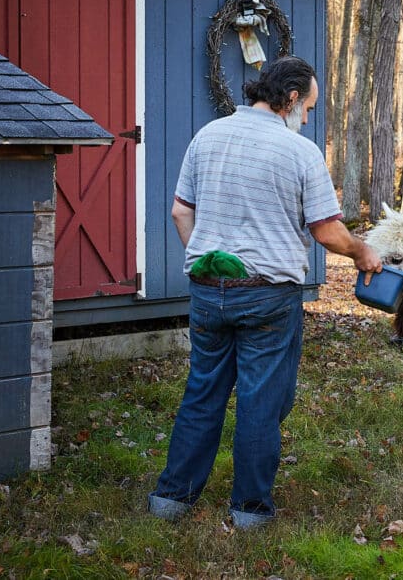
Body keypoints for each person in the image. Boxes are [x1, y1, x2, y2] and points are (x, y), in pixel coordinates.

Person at [148, 55, 381, 529]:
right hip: (268, 297)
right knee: (261, 401)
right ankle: (249, 511)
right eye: (310, 108)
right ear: (290, 98)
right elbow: (327, 231)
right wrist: (362, 253)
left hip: (207, 291)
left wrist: (207, 260)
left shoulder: (207, 135)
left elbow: (179, 213)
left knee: (202, 393)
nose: (309, 119)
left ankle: (171, 500)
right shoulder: (299, 152)